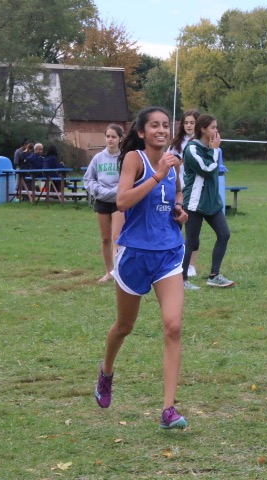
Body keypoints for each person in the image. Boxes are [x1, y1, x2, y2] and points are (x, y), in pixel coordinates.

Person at [94, 106, 189, 430]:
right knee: (124, 326)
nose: (162, 130)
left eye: (165, 125)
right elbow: (122, 201)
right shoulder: (135, 159)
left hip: (168, 252)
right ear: (141, 132)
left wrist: (179, 210)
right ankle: (106, 371)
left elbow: (174, 193)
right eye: (155, 126)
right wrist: (157, 174)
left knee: (173, 326)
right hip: (135, 253)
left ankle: (168, 410)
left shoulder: (173, 160)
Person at [181, 114, 235, 290]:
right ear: (203, 129)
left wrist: (213, 150)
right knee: (192, 241)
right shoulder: (192, 149)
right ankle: (181, 280)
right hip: (195, 202)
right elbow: (207, 169)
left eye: (216, 127)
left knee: (224, 234)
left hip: (212, 203)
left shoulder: (210, 148)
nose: (216, 130)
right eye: (213, 127)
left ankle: (214, 275)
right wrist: (215, 150)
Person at [83, 125, 125, 283]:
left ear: (120, 138)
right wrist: (98, 190)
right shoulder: (98, 158)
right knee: (105, 238)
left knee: (117, 238)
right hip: (101, 201)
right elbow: (88, 179)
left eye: (113, 136)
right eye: (108, 136)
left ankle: (117, 273)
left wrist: (115, 191)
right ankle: (108, 272)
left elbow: (128, 180)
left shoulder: (124, 157)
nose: (110, 139)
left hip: (118, 201)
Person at [169, 109, 200, 278]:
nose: (189, 126)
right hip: (178, 191)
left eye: (192, 122)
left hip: (195, 191)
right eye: (186, 122)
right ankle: (174, 261)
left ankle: (191, 265)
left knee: (193, 231)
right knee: (175, 227)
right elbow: (166, 163)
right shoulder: (175, 144)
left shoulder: (203, 143)